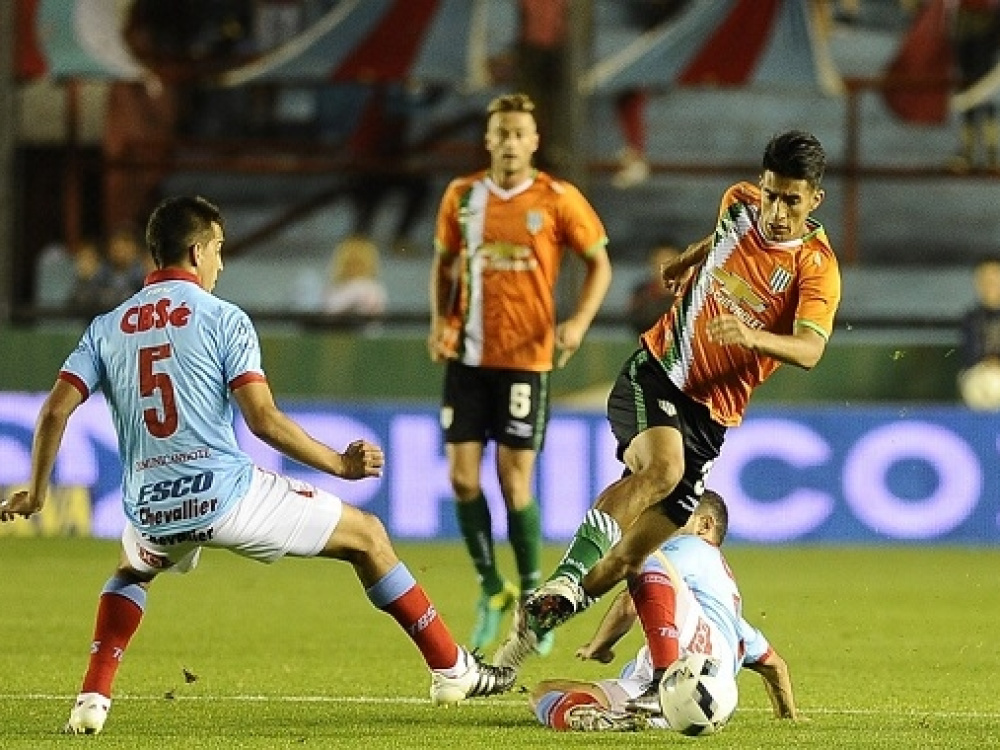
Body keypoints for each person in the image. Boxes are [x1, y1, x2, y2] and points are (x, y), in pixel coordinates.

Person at [0, 195, 515, 736]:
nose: (221, 264)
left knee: (132, 571)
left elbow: (55, 410)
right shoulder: (223, 319)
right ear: (197, 252)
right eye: (219, 249)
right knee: (368, 536)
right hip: (225, 496)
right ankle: (451, 669)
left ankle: (92, 699)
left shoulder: (107, 327)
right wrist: (338, 464)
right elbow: (264, 420)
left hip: (152, 507)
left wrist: (36, 492)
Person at [495, 129, 841, 668]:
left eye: (791, 201)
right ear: (761, 184)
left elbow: (811, 348)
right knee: (661, 469)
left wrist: (752, 337)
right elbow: (722, 238)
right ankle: (564, 574)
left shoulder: (815, 268)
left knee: (628, 560)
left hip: (712, 417)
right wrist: (685, 261)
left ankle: (519, 643)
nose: (776, 211)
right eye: (771, 195)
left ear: (814, 199)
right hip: (658, 373)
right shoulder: (739, 202)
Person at [427, 93, 613, 654]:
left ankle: (535, 598)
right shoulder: (462, 196)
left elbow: (599, 263)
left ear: (534, 142)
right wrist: (440, 322)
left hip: (526, 363)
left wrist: (578, 322)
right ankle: (492, 589)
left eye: (518, 134)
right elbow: (444, 264)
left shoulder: (558, 198)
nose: (509, 142)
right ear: (488, 140)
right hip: (468, 357)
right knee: (463, 480)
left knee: (514, 483)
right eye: (501, 133)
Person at [529, 492, 801, 732]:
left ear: (705, 525)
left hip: (689, 671)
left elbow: (629, 600)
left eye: (678, 517)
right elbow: (775, 666)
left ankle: (658, 685)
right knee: (546, 692)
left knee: (642, 557)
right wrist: (788, 717)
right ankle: (594, 716)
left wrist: (599, 645)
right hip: (700, 701)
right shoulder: (735, 625)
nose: (667, 527)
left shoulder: (695, 545)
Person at [949, 0, 1000, 172]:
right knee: (967, 86)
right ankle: (967, 152)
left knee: (981, 89)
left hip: (987, 22)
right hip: (963, 22)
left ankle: (990, 153)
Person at [958, 256, 1000, 409]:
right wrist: (986, 364)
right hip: (979, 376)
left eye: (994, 278)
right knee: (984, 382)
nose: (990, 284)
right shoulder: (972, 319)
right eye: (984, 279)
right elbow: (969, 355)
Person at [321, 234, 388, 324]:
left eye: (359, 263)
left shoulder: (372, 288)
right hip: (337, 328)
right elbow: (329, 311)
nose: (354, 267)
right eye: (350, 263)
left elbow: (374, 312)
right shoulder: (334, 288)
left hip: (362, 328)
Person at [625, 243, 681, 337]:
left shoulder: (690, 292)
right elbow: (636, 322)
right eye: (658, 263)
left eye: (668, 262)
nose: (663, 268)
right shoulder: (642, 293)